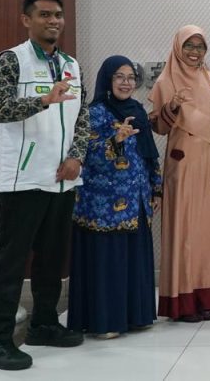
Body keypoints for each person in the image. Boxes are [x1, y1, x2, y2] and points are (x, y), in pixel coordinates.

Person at [0, 0, 88, 371]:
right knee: (10, 263)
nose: (53, 21)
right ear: (27, 20)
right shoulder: (13, 60)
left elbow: (82, 115)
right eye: (44, 15)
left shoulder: (71, 65)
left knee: (52, 259)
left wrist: (77, 157)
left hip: (61, 178)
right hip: (22, 178)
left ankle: (44, 324)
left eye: (58, 15)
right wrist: (42, 100)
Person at [68, 56, 160, 338]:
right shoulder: (94, 113)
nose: (126, 82)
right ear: (108, 80)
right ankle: (106, 321)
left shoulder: (137, 111)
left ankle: (135, 316)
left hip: (137, 199)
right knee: (109, 261)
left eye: (131, 77)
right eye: (119, 77)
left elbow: (149, 154)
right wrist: (114, 141)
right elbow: (84, 154)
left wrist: (156, 187)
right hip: (103, 204)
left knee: (132, 258)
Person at [149, 26, 210, 323]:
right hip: (181, 163)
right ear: (178, 47)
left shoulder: (207, 77)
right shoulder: (166, 79)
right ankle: (182, 301)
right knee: (183, 232)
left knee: (205, 232)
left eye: (200, 46)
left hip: (206, 162)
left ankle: (202, 297)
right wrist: (172, 106)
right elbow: (158, 127)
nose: (194, 52)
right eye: (189, 46)